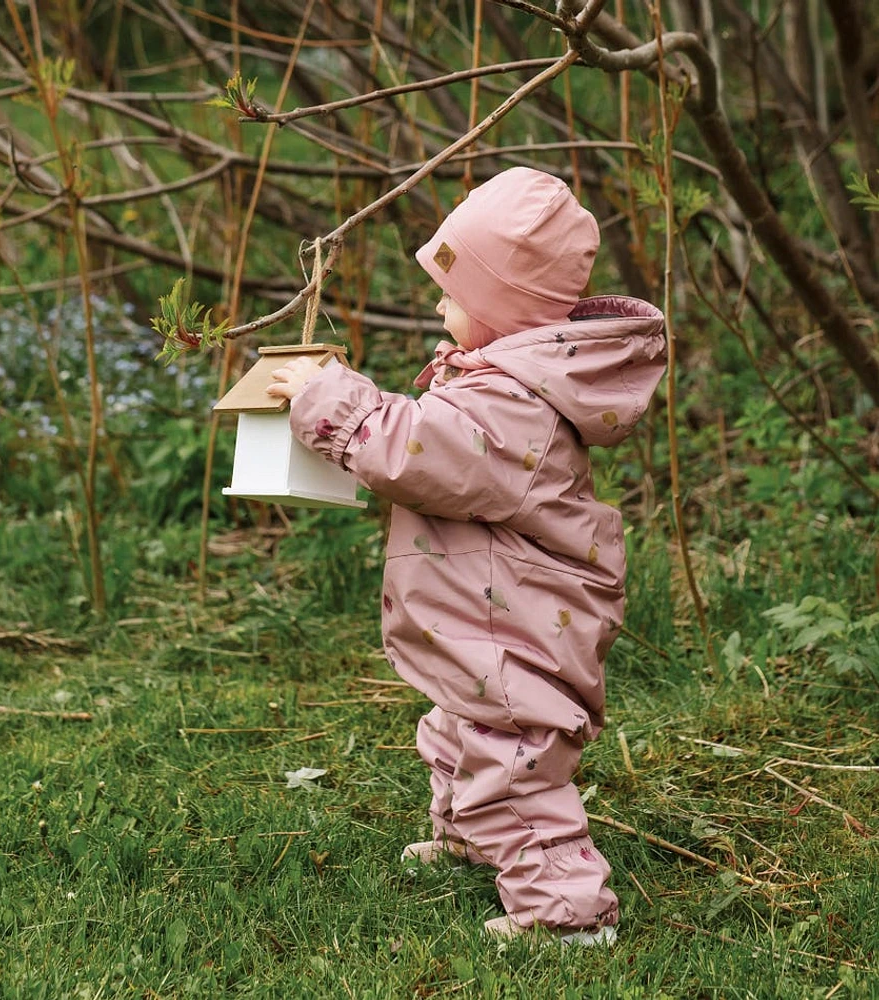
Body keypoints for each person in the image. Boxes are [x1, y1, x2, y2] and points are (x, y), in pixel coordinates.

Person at [266, 166, 667, 945]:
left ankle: (567, 918)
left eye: (450, 290)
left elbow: (412, 449)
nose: (436, 304)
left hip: (516, 620)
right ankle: (468, 836)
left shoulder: (510, 403)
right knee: (460, 729)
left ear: (499, 309)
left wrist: (326, 394)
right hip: (490, 610)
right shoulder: (505, 383)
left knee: (511, 761)